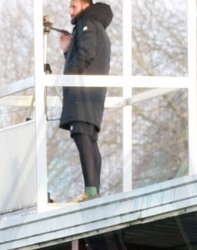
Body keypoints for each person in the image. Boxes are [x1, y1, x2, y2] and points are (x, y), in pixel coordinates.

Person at [56, 0, 114, 199]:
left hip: (83, 93)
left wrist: (68, 75)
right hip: (93, 93)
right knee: (89, 137)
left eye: (73, 6)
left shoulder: (87, 23)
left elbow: (86, 55)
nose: (70, 11)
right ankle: (93, 190)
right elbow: (86, 56)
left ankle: (90, 191)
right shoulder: (97, 27)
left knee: (82, 135)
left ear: (86, 6)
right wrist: (67, 50)